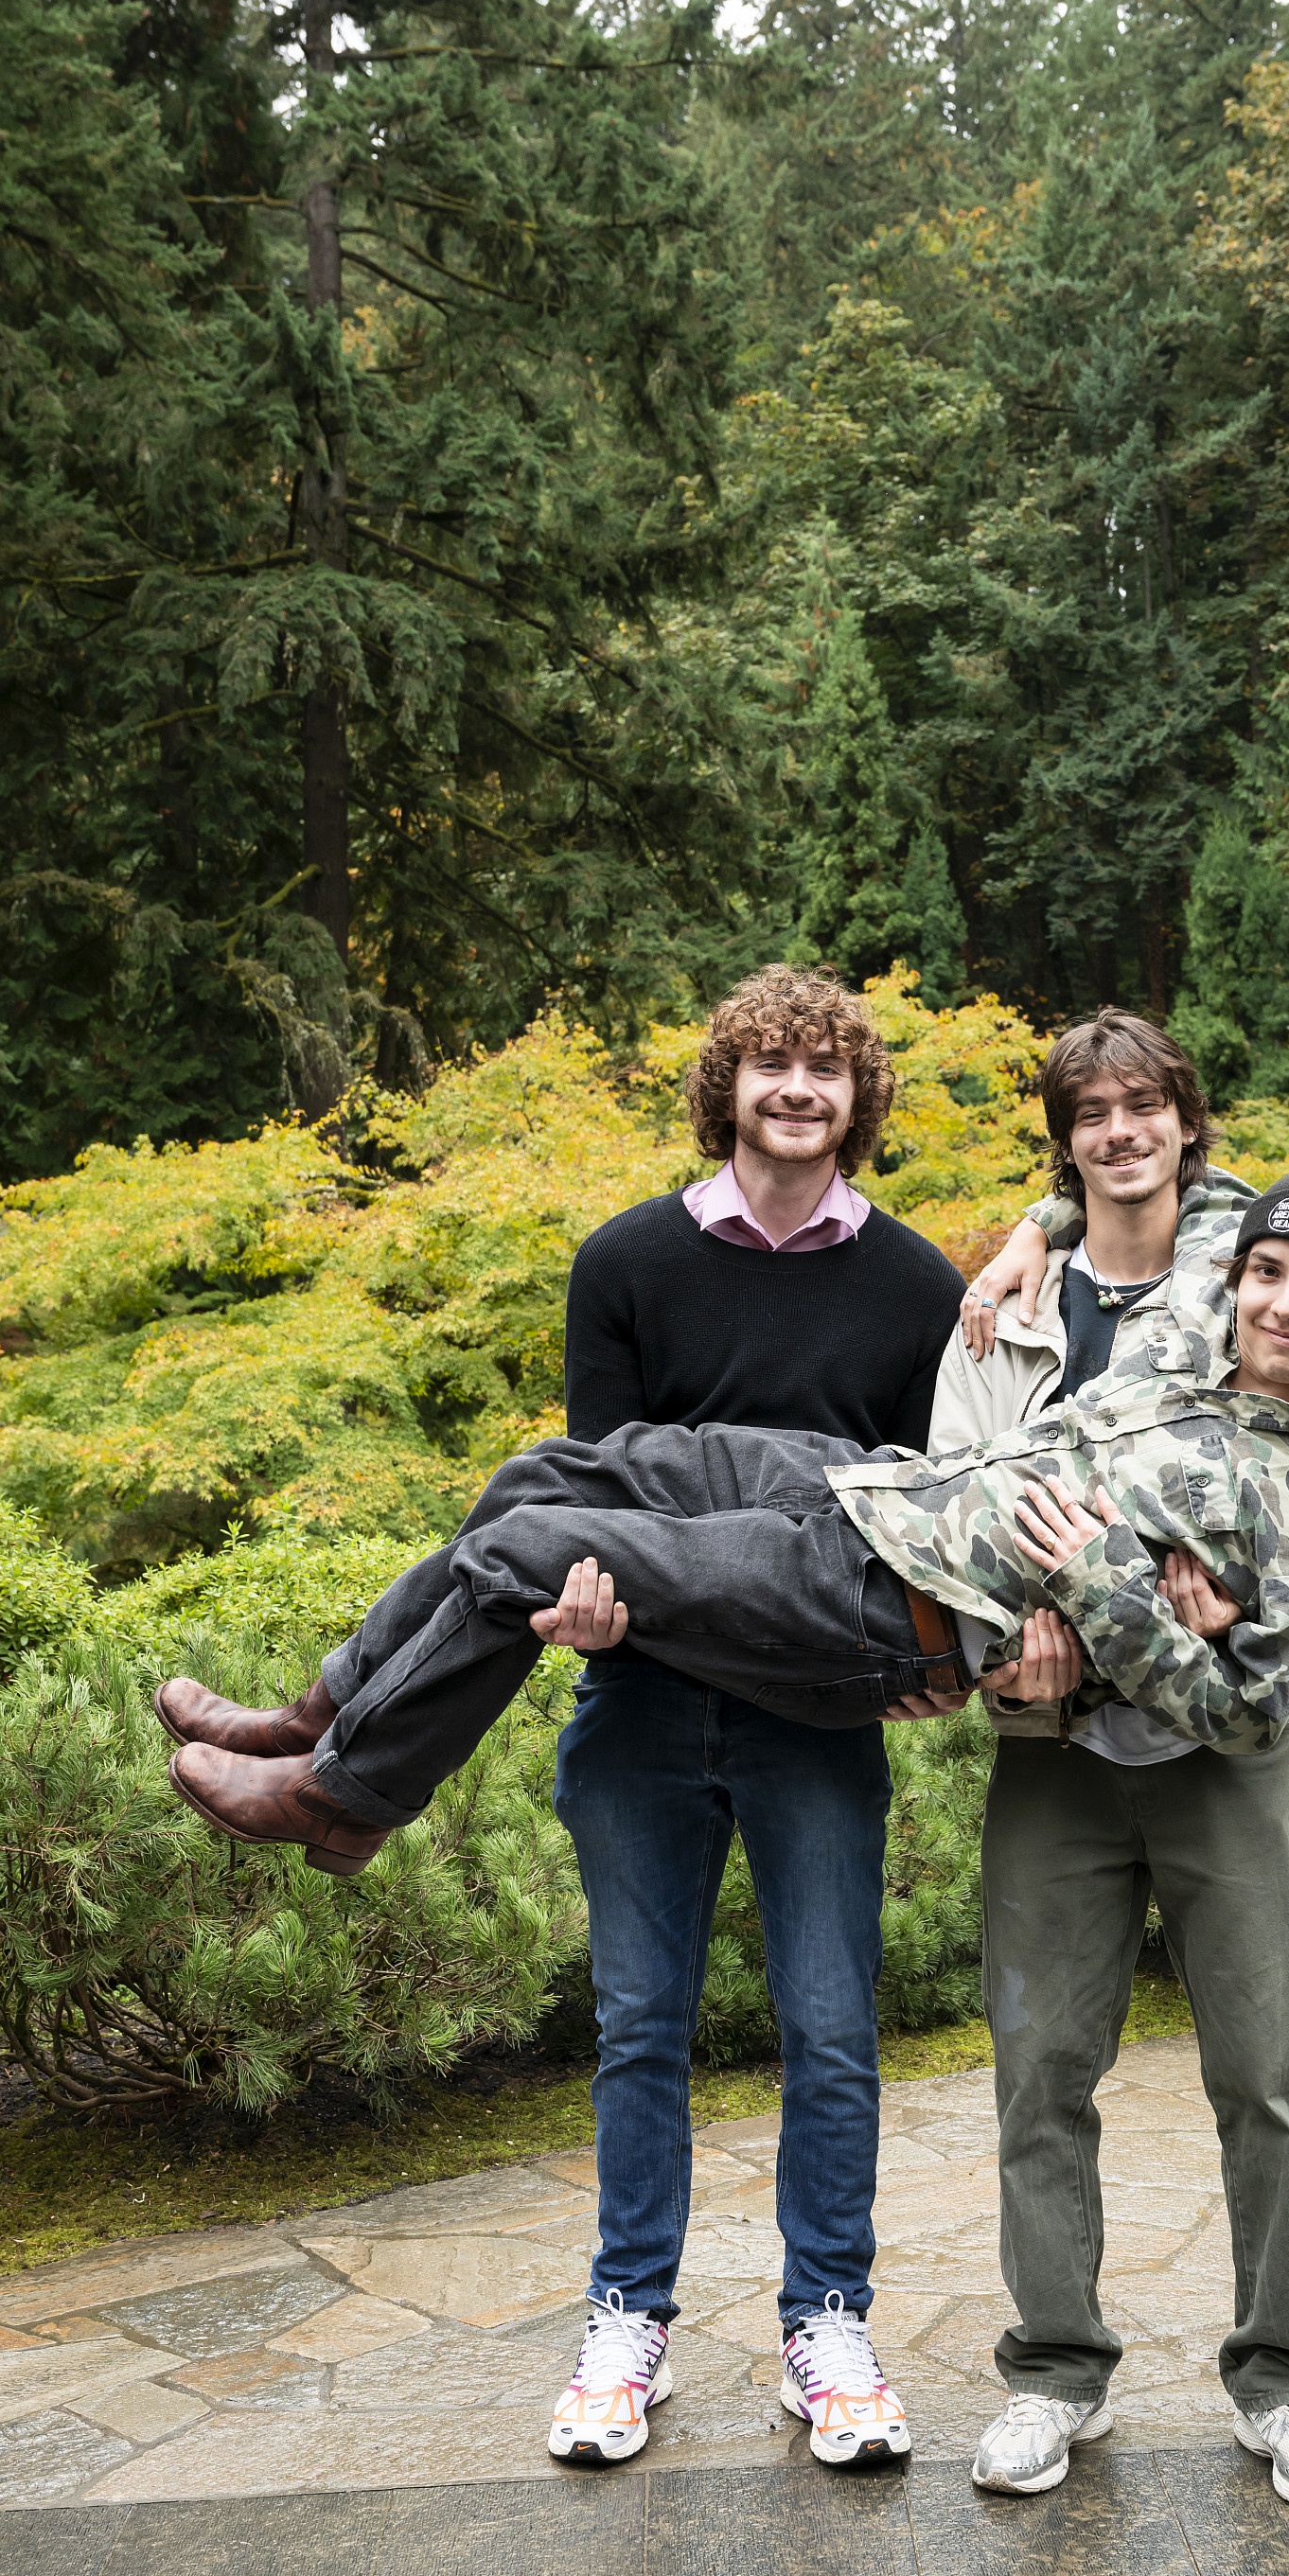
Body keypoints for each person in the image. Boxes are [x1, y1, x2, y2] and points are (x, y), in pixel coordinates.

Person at [158, 967, 974, 2477]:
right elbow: (605, 1494)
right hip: (643, 1699)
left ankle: (829, 2322)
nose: (796, 1089)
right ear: (723, 1085)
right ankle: (627, 2318)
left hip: (810, 1695)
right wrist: (592, 1612)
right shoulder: (627, 1260)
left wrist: (918, 1657)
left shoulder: (921, 1289)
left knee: (833, 2033)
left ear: (860, 1099)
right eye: (768, 1065)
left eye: (824, 1068)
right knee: (638, 2026)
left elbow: (920, 1528)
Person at [944, 1019, 1289, 2515]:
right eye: (1090, 1114)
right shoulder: (1050, 1285)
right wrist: (1028, 1232)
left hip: (1222, 1780)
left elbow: (1246, 1707)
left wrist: (1133, 1609)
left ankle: (1285, 2384)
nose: (1282, 1296)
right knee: (1038, 2074)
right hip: (1053, 1760)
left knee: (1264, 2083)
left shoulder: (1232, 1275)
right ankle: (1052, 2371)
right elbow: (979, 1500)